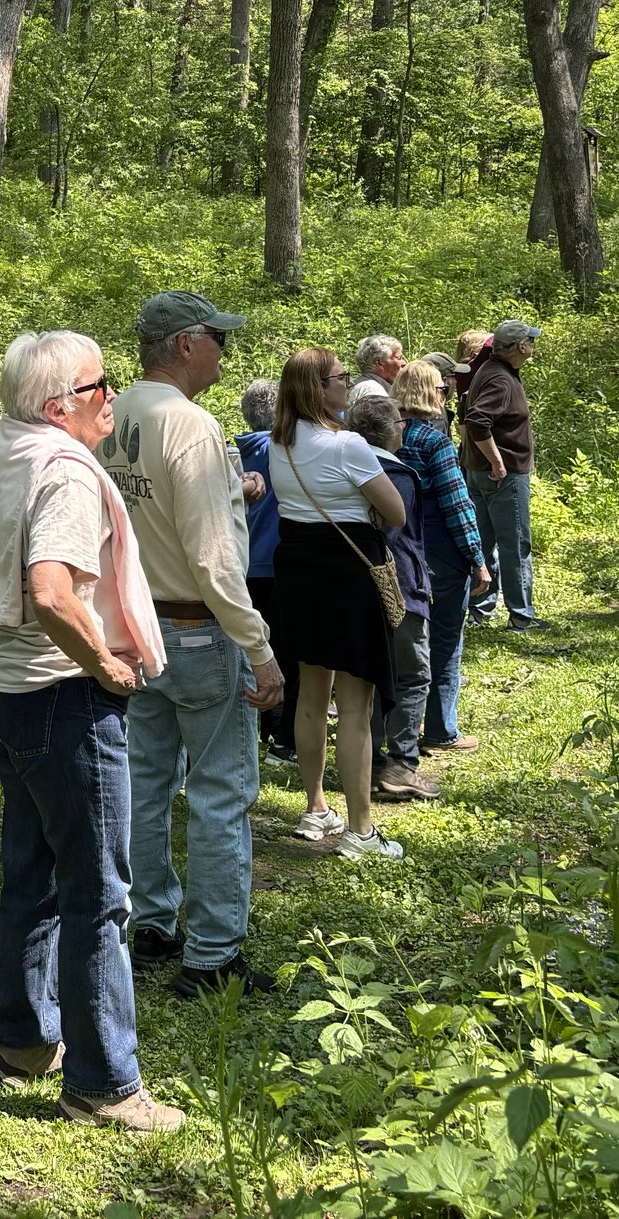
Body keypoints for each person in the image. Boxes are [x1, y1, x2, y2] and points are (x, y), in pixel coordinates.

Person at [0, 331, 186, 1133]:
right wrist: (104, 664)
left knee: (34, 871)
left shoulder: (16, 449)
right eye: (102, 386)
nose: (112, 398)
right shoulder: (64, 472)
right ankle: (103, 1083)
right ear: (59, 405)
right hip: (62, 697)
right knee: (100, 891)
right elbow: (53, 591)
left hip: (9, 689)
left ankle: (26, 1042)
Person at [102, 292, 288, 1000]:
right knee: (219, 791)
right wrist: (259, 646)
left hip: (133, 628)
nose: (223, 351)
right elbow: (213, 559)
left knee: (145, 783)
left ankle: (151, 924)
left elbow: (138, 514)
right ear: (184, 345)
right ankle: (211, 955)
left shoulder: (110, 416)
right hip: (198, 630)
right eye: (216, 337)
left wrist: (228, 490)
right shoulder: (191, 424)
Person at [264, 347, 411, 859]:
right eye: (339, 378)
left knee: (309, 693)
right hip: (349, 576)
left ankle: (315, 807)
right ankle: (361, 830)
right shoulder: (348, 444)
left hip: (299, 572)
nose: (347, 383)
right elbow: (394, 512)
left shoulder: (278, 444)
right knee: (355, 706)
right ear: (316, 388)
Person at [394, 360, 491, 751]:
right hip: (442, 553)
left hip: (397, 552)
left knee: (401, 638)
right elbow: (457, 504)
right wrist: (478, 559)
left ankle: (393, 725)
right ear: (427, 394)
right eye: (441, 389)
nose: (445, 395)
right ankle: (440, 728)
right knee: (447, 638)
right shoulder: (433, 442)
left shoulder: (382, 437)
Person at [345, 395, 437, 802]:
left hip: (355, 586)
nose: (404, 427)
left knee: (370, 677)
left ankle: (372, 762)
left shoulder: (340, 466)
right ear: (389, 429)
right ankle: (401, 763)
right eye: (400, 422)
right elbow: (397, 537)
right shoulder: (395, 473)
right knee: (412, 674)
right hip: (396, 586)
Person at [462, 319, 543, 631]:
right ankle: (521, 616)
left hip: (479, 473)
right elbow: (477, 421)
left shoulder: (493, 371)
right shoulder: (501, 379)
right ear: (520, 347)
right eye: (530, 341)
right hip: (502, 476)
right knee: (515, 544)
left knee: (482, 542)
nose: (533, 345)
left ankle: (479, 611)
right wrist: (497, 462)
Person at [234, 379, 291, 761]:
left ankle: (250, 729)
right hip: (278, 562)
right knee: (282, 649)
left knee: (250, 648)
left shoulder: (233, 453)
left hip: (242, 563)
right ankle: (280, 734)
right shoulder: (286, 450)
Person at [453, 330, 498, 618]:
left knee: (480, 531)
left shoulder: (463, 376)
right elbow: (473, 424)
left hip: (471, 458)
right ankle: (482, 602)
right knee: (485, 533)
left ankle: (479, 601)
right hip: (482, 461)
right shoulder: (474, 376)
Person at [350, 334, 404, 408]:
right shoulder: (373, 391)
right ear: (379, 362)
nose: (403, 363)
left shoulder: (358, 385)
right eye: (399, 358)